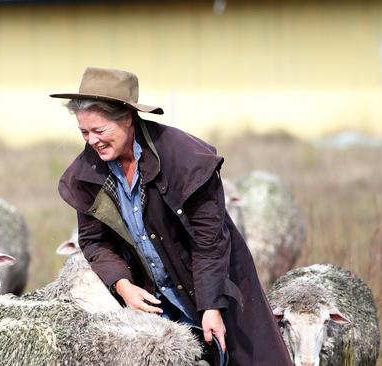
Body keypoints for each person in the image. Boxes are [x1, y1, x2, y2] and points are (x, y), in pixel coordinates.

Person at [51, 67, 291, 366]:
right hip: (151, 298)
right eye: (84, 132)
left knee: (240, 357)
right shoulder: (86, 175)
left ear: (127, 118)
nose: (92, 141)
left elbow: (209, 242)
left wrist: (211, 307)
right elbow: (94, 242)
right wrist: (123, 286)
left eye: (99, 131)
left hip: (212, 284)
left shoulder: (186, 159)